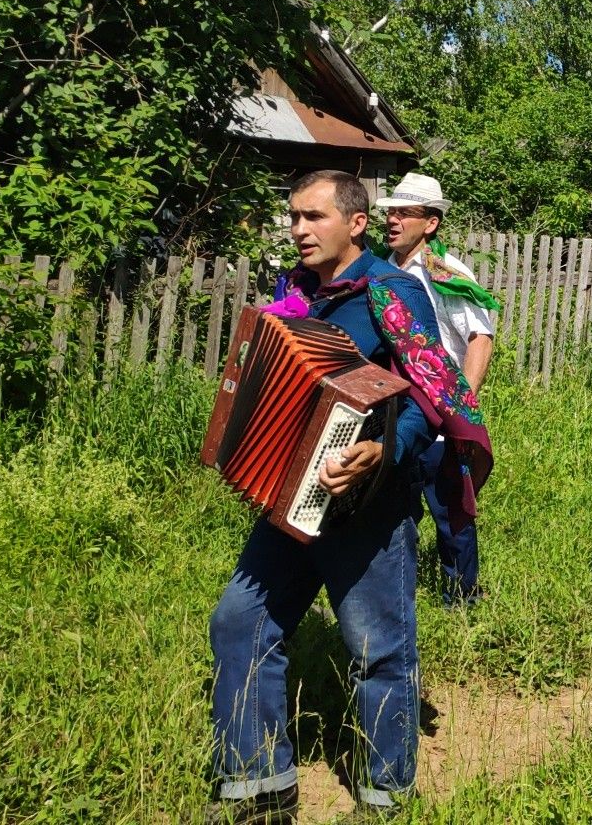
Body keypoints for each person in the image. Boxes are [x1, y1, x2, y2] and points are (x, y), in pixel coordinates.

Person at [206, 170, 491, 824]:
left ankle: (384, 797)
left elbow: (430, 393)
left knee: (377, 649)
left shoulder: (391, 293)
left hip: (367, 507)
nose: (299, 229)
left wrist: (382, 450)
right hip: (291, 499)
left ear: (356, 222)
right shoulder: (301, 294)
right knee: (239, 625)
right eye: (294, 216)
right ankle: (259, 790)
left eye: (314, 217)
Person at [377, 171, 500, 605]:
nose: (392, 220)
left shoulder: (445, 273)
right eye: (390, 212)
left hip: (438, 412)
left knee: (451, 514)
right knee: (392, 514)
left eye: (404, 213)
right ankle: (396, 598)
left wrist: (459, 409)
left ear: (430, 223)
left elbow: (479, 339)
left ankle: (463, 601)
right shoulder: (380, 272)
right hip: (391, 413)